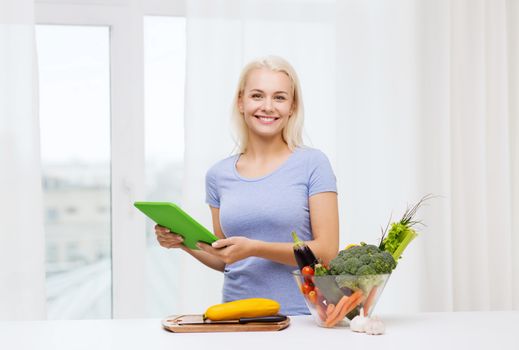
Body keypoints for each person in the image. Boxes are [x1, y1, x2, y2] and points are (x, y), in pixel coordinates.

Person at [155, 56, 339, 315]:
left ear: (292, 107)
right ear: (241, 102)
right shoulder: (218, 175)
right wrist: (182, 242)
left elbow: (327, 252)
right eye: (257, 96)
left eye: (279, 97)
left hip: (302, 316)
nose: (268, 106)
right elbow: (226, 257)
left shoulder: (313, 163)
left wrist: (255, 248)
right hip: (235, 315)